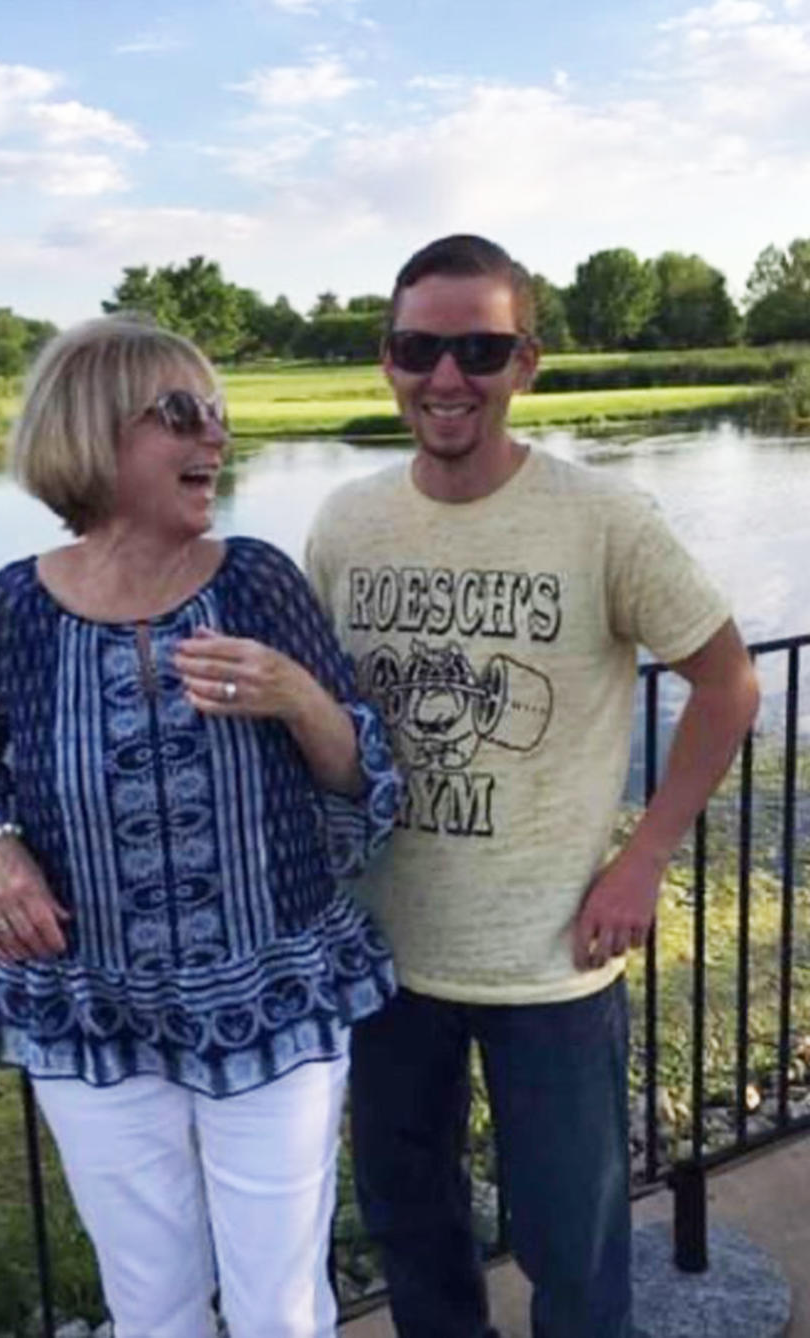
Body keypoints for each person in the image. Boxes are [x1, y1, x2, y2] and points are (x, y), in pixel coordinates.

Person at [0, 315, 402, 1338]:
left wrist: (299, 696)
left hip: (271, 996)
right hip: (90, 1012)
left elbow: (365, 786)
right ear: (89, 432)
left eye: (216, 411)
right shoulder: (15, 608)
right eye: (180, 413)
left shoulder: (257, 579)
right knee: (151, 1304)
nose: (214, 435)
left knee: (281, 1308)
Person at [305, 234, 760, 1338]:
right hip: (387, 959)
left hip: (554, 962)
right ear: (388, 361)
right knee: (413, 1231)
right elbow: (319, 719)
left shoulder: (604, 521)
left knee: (575, 1243)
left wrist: (644, 857)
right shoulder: (344, 522)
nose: (447, 376)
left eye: (480, 347)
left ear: (527, 364)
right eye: (421, 347)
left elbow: (730, 685)